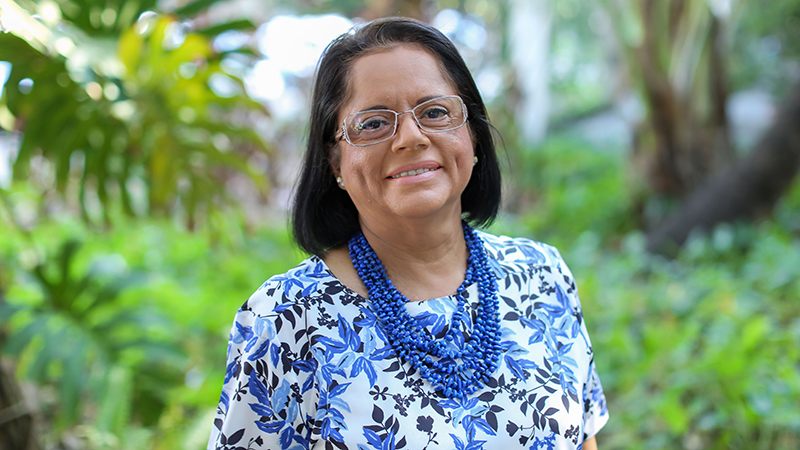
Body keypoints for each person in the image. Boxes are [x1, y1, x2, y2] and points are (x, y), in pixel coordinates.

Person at [208, 17, 608, 450]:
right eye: (374, 123)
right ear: (335, 161)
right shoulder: (286, 319)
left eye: (435, 112)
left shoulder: (543, 275)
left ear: (472, 136)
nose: (411, 138)